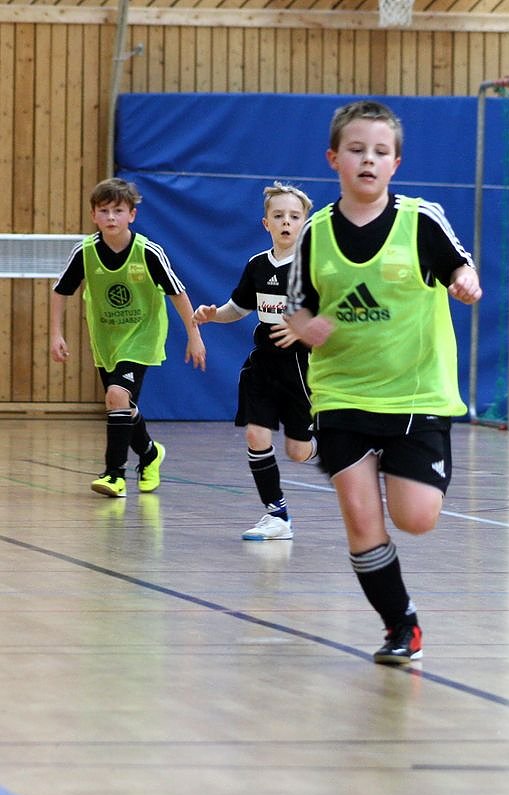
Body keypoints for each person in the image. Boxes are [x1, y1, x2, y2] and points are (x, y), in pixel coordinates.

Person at [284, 100, 481, 664]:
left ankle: (405, 475)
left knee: (415, 518)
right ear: (334, 159)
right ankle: (401, 626)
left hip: (416, 394)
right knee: (361, 518)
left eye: (380, 151)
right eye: (356, 150)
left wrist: (465, 281)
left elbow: (459, 264)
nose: (368, 160)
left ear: (396, 163)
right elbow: (295, 306)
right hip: (342, 394)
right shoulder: (316, 233)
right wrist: (305, 325)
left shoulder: (421, 220)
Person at [50, 177, 206, 498]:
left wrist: (194, 335)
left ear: (132, 215)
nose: (111, 217)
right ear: (93, 215)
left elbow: (178, 293)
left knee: (116, 395)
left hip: (143, 335)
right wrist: (56, 334)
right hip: (106, 338)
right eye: (104, 211)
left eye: (118, 211)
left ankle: (114, 475)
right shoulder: (85, 252)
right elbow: (60, 291)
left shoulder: (148, 252)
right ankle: (150, 453)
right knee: (121, 403)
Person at [194, 183, 317, 541]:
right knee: (255, 433)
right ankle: (277, 514)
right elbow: (239, 307)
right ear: (266, 223)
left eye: (294, 216)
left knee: (298, 451)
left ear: (305, 223)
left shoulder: (315, 268)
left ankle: (338, 441)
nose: (286, 222)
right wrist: (214, 315)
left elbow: (333, 315)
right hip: (264, 364)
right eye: (278, 216)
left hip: (303, 367)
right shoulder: (257, 265)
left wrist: (302, 327)